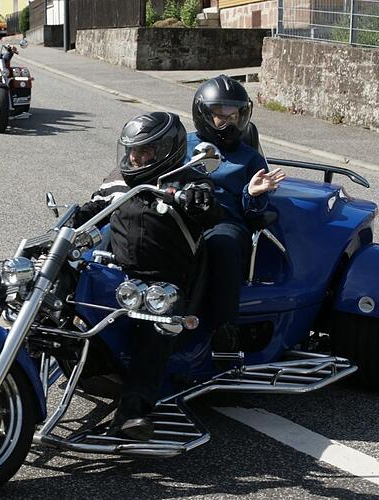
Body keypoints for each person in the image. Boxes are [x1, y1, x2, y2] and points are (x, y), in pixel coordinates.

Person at [78, 112, 221, 440]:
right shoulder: (117, 180)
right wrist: (69, 224)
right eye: (132, 151)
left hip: (165, 284)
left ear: (167, 150)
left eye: (144, 152)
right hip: (118, 275)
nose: (135, 158)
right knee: (63, 289)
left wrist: (200, 200)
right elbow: (94, 209)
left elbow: (210, 210)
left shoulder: (188, 180)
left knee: (154, 326)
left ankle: (133, 412)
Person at [187, 75, 286, 350]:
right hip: (181, 215)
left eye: (235, 116)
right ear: (204, 114)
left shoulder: (250, 158)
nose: (229, 123)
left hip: (225, 222)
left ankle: (224, 328)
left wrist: (252, 194)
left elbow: (255, 213)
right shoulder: (182, 145)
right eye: (221, 116)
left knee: (222, 244)